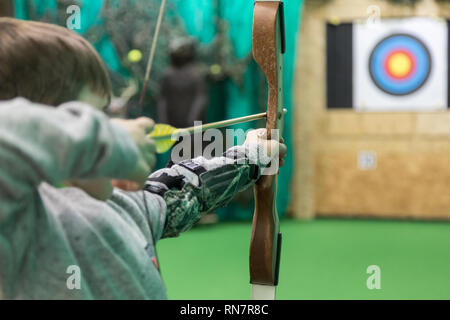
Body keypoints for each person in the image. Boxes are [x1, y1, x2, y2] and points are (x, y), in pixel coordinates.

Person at [0, 18, 287, 299]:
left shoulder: (121, 203)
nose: (111, 124)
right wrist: (110, 143)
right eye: (95, 117)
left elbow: (187, 188)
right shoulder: (19, 220)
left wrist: (252, 155)